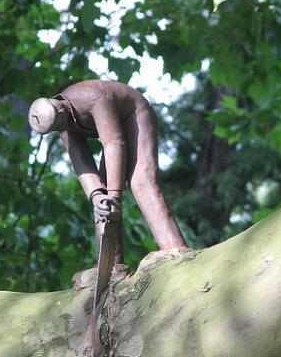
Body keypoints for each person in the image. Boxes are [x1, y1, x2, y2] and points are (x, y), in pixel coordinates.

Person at [29, 80, 187, 265]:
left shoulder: (92, 97)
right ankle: (111, 266)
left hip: (134, 116)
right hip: (112, 135)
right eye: (58, 127)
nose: (63, 128)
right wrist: (97, 196)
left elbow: (113, 142)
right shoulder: (60, 122)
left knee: (141, 181)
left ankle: (175, 249)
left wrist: (115, 196)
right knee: (103, 204)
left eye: (62, 122)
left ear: (61, 108)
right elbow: (80, 161)